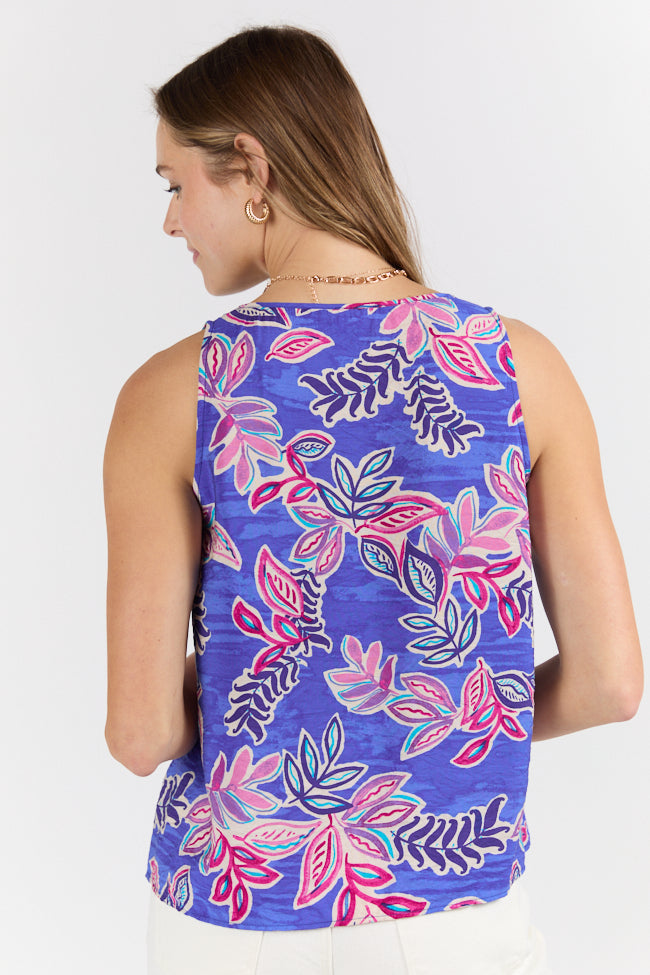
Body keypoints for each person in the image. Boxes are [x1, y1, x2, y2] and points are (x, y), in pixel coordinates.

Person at [103, 23, 643, 975]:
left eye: (174, 184)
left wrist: (262, 692)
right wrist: (445, 713)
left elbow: (140, 731)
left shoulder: (172, 395)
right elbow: (609, 683)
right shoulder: (522, 368)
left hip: (235, 911)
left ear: (252, 168)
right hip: (457, 913)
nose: (171, 222)